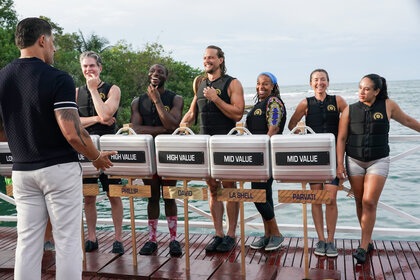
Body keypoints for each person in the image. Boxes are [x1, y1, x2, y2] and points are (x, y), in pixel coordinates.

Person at [0, 18, 115, 280]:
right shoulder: (58, 78)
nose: (54, 49)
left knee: (27, 242)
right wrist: (96, 158)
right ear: (42, 40)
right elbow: (72, 132)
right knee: (67, 241)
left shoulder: (2, 77)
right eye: (53, 42)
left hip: (22, 171)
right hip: (58, 170)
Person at [336, 74, 420, 263]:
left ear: (376, 91)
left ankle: (363, 246)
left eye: (366, 89)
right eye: (360, 88)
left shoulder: (388, 105)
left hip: (378, 161)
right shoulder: (349, 110)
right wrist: (340, 164)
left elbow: (406, 121)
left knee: (369, 202)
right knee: (359, 202)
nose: (362, 92)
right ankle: (368, 240)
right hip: (354, 161)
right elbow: (341, 138)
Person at [181, 45, 245, 252]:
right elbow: (192, 112)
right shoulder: (199, 83)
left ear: (220, 60)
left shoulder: (232, 83)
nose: (207, 61)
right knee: (212, 188)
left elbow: (237, 114)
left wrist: (216, 99)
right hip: (204, 143)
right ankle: (218, 233)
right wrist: (181, 128)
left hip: (226, 143)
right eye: (204, 58)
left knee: (229, 188)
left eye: (211, 57)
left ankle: (231, 234)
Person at [288, 69, 347, 257]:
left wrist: (341, 163)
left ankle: (331, 240)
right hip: (312, 159)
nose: (319, 82)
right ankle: (320, 240)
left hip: (333, 158)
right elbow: (291, 125)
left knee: (330, 199)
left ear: (328, 82)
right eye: (315, 80)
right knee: (316, 199)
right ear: (311, 83)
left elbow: (349, 126)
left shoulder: (337, 101)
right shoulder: (305, 103)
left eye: (323, 79)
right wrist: (303, 136)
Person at [131, 64, 184, 256]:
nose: (155, 74)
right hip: (148, 155)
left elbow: (174, 123)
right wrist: (165, 130)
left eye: (160, 72)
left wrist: (157, 101)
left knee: (169, 196)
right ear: (148, 74)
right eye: (152, 71)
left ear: (166, 78)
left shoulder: (176, 99)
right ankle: (152, 239)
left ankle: (173, 239)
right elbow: (136, 129)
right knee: (152, 197)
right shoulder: (138, 101)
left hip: (168, 155)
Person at [76, 51, 124, 254]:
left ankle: (118, 238)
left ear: (100, 68)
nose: (89, 70)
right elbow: (73, 121)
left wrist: (93, 90)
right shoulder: (76, 92)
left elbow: (107, 113)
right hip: (85, 149)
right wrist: (96, 119)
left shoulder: (113, 89)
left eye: (92, 66)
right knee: (89, 197)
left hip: (108, 149)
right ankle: (92, 237)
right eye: (85, 66)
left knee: (114, 194)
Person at [246, 72, 286, 251]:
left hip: (266, 156)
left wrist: (261, 151)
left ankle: (276, 233)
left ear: (273, 86)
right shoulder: (258, 104)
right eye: (258, 83)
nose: (261, 87)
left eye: (266, 84)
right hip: (257, 156)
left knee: (258, 195)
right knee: (265, 195)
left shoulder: (274, 102)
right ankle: (268, 234)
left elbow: (274, 127)